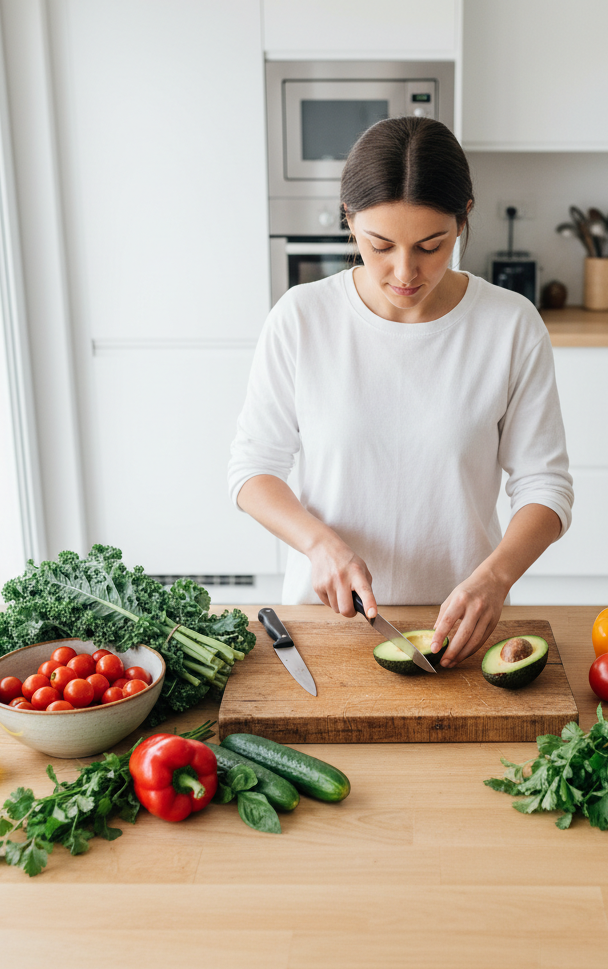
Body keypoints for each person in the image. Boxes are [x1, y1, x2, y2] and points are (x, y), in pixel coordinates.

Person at [228, 116, 573, 668]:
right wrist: (319, 544)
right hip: (323, 626)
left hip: (461, 628)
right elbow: (252, 471)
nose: (405, 271)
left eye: (431, 246)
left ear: (464, 220)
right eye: (380, 245)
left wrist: (496, 577)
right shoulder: (301, 318)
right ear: (349, 219)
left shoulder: (510, 325)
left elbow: (546, 486)